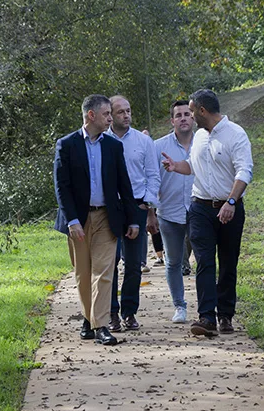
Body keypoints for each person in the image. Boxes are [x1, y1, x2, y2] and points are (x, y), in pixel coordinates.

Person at [161, 89, 253, 336]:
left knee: (228, 262)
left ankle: (225, 316)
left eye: (192, 111)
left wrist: (231, 202)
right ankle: (206, 317)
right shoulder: (200, 136)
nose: (190, 116)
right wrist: (176, 166)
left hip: (230, 207)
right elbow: (193, 166)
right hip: (200, 207)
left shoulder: (236, 134)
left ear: (202, 111)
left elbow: (244, 171)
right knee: (203, 261)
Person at [54, 94, 139, 346]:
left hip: (106, 217)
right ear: (91, 115)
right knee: (83, 273)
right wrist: (72, 220)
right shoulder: (66, 145)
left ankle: (100, 325)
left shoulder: (113, 146)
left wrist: (133, 219)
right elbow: (61, 187)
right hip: (78, 219)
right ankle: (88, 318)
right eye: (106, 114)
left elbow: (124, 185)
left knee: (104, 271)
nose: (111, 118)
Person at [107, 95, 160, 332]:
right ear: (110, 115)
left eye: (128, 110)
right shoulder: (102, 140)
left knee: (133, 263)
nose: (126, 115)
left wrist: (147, 205)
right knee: (110, 261)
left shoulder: (143, 141)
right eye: (120, 112)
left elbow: (153, 175)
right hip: (110, 206)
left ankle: (129, 312)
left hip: (136, 205)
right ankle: (111, 312)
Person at [153, 100, 195, 324]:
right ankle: (179, 306)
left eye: (187, 114)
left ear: (193, 117)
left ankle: (208, 308)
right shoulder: (158, 147)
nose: (183, 118)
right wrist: (150, 212)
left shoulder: (204, 142)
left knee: (205, 260)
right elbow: (152, 180)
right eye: (178, 115)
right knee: (173, 262)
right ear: (172, 121)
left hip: (199, 211)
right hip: (169, 212)